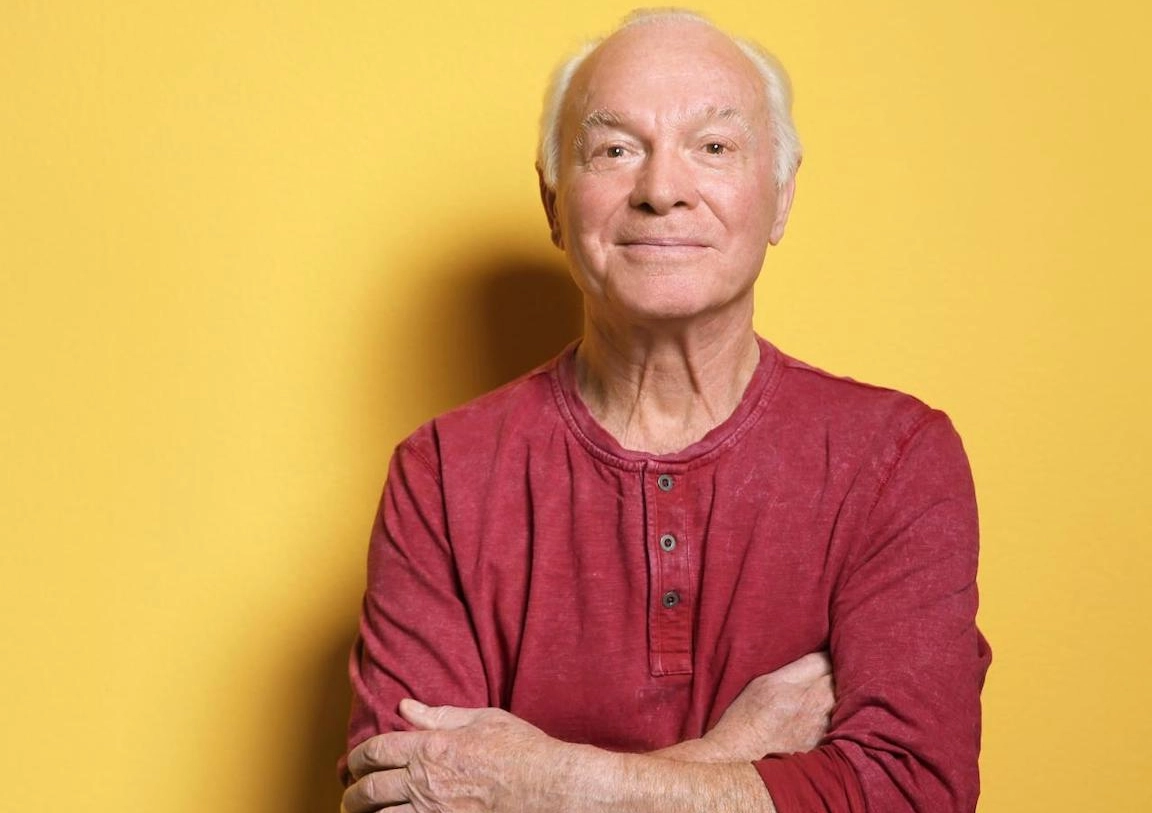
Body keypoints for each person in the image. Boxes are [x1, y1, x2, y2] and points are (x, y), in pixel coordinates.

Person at [341, 8, 990, 812]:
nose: (662, 190)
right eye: (615, 150)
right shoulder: (440, 473)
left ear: (780, 199)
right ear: (553, 203)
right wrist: (737, 751)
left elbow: (913, 796)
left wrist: (542, 783)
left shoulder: (896, 457)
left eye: (713, 147)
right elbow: (404, 800)